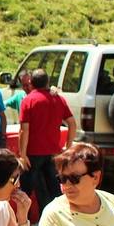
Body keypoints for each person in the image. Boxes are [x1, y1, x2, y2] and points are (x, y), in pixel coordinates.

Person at [18, 69, 75, 218]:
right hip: (53, 153)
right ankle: (59, 219)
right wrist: (68, 146)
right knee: (54, 189)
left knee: (26, 190)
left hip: (33, 152)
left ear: (31, 83)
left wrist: (22, 154)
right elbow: (72, 124)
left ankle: (26, 221)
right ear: (47, 82)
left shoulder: (29, 100)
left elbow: (24, 130)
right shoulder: (59, 99)